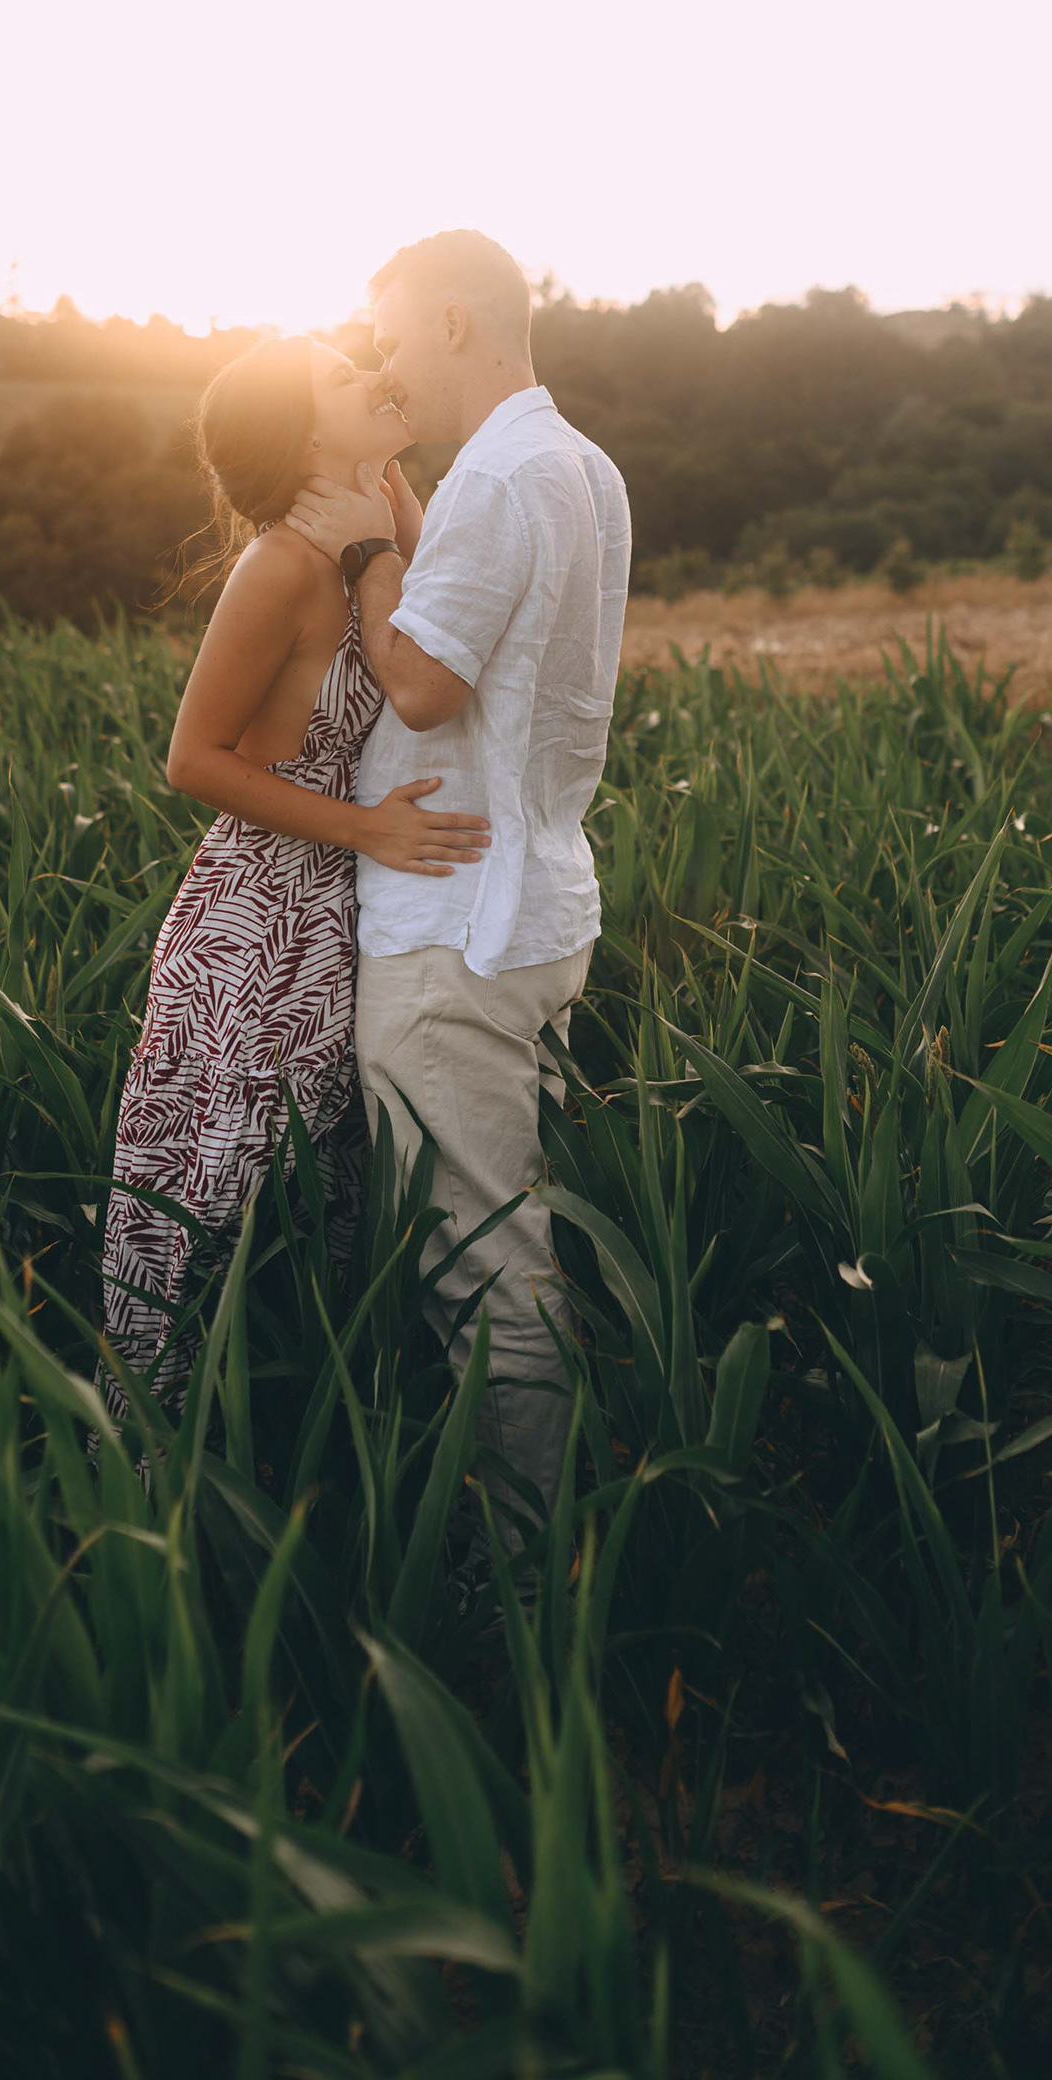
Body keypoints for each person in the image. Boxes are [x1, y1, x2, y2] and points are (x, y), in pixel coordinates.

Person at [287, 229, 631, 1552]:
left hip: (455, 931)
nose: (382, 369)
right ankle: (550, 1541)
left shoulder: (494, 474)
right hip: (536, 901)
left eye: (388, 340)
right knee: (517, 1237)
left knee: (482, 1265)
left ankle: (532, 1579)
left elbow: (425, 685)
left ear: (448, 324)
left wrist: (365, 553)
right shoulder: (581, 465)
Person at [99, 334, 490, 1419]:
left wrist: (387, 490)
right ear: (304, 435)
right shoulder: (280, 566)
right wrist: (367, 831)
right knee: (228, 1196)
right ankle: (162, 1453)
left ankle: (304, 1433)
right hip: (259, 921)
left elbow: (439, 636)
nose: (374, 374)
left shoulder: (377, 533)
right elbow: (192, 760)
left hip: (342, 910)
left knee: (332, 1196)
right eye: (342, 380)